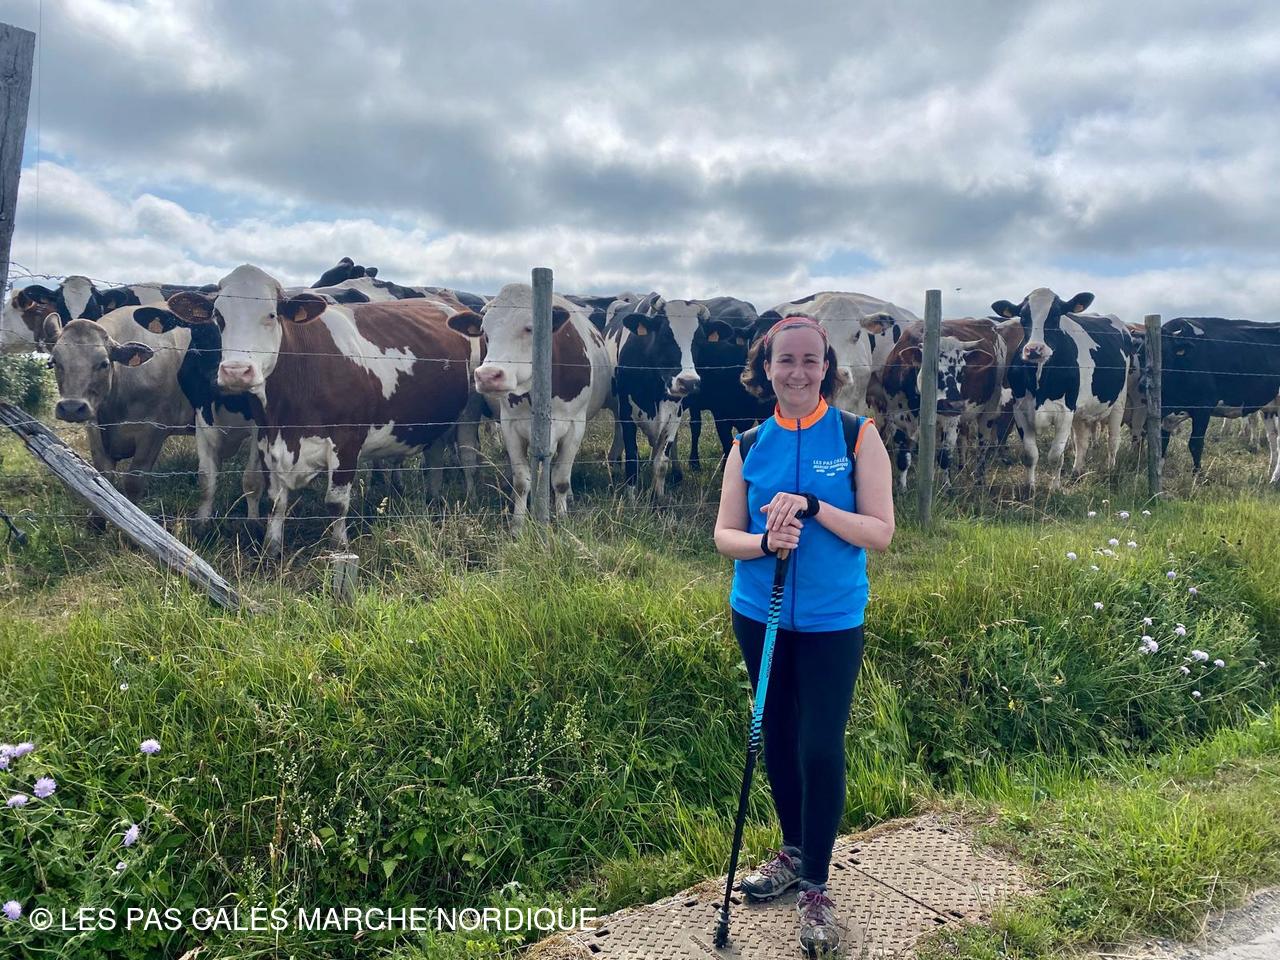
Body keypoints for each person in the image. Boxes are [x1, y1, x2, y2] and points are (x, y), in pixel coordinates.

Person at [713, 314, 895, 957]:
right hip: (758, 614)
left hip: (830, 620)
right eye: (784, 360)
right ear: (765, 369)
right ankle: (792, 853)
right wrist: (765, 542)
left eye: (809, 360)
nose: (797, 371)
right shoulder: (747, 443)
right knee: (776, 738)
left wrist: (815, 509)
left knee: (819, 745)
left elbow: (880, 532)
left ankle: (817, 884)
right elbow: (725, 536)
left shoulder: (855, 435)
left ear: (827, 368)